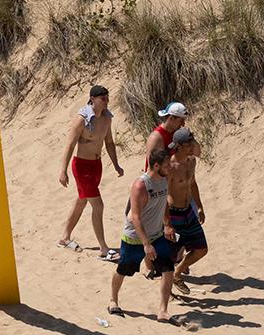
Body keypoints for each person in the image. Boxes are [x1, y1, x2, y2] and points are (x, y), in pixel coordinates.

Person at [109, 148, 177, 321]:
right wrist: (146, 244)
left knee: (168, 268)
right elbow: (136, 216)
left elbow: (164, 203)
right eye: (166, 165)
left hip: (157, 234)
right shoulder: (141, 185)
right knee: (123, 269)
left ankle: (163, 310)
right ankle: (113, 301)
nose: (170, 167)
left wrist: (167, 224)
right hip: (135, 237)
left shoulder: (163, 179)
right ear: (155, 165)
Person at [57, 85, 122, 255]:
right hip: (81, 166)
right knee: (98, 205)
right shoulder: (81, 119)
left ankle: (64, 237)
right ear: (93, 99)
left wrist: (116, 165)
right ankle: (103, 248)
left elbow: (109, 143)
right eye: (103, 99)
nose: (107, 101)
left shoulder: (107, 118)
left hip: (96, 166)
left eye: (107, 98)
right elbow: (70, 145)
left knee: (82, 200)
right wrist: (62, 170)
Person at [162, 127, 207, 288]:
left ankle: (177, 273)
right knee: (169, 257)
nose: (193, 147)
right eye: (189, 145)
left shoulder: (191, 161)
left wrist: (200, 207)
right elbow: (162, 196)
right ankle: (167, 290)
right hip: (174, 215)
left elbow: (193, 184)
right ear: (179, 146)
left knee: (201, 249)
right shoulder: (170, 167)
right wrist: (167, 224)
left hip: (189, 212)